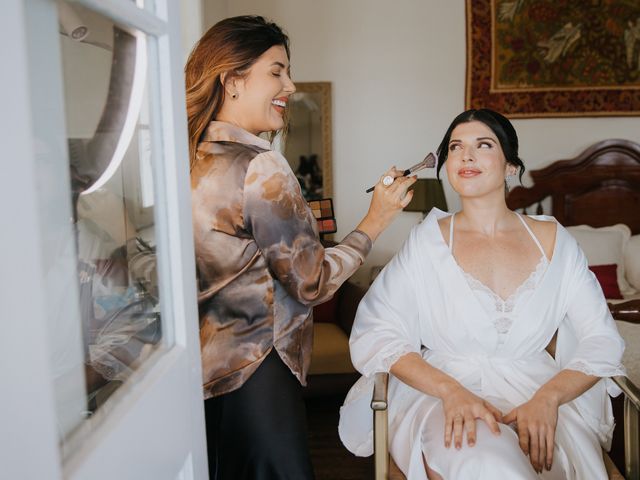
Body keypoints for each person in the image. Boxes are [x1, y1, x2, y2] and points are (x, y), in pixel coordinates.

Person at [185, 15, 416, 480]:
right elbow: (311, 284)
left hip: (201, 371)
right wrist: (375, 220)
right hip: (257, 370)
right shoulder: (262, 166)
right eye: (277, 70)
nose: (289, 85)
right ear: (232, 79)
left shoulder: (189, 158)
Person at [338, 109, 626, 479]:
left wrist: (549, 398)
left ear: (510, 166)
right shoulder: (426, 242)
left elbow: (601, 340)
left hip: (535, 392)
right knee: (490, 466)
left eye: (483, 145)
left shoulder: (556, 242)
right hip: (445, 393)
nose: (466, 156)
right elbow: (377, 331)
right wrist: (450, 391)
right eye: (455, 147)